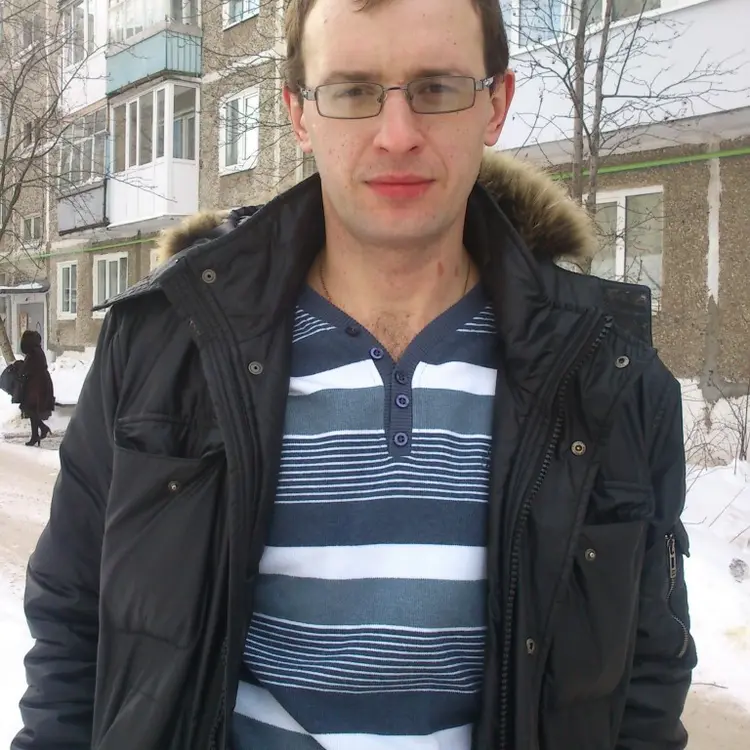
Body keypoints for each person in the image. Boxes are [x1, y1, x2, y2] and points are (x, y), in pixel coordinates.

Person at [13, 0, 696, 748]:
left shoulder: (604, 371)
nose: (397, 134)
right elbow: (74, 623)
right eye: (352, 91)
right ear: (298, 113)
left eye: (436, 88)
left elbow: (645, 677)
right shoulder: (167, 346)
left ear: (496, 104)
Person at [17, 330, 54, 447]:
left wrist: (20, 369)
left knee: (30, 408)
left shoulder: (33, 352)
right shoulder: (37, 351)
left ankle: (40, 431)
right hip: (39, 383)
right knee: (32, 409)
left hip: (37, 385)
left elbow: (26, 369)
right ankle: (37, 433)